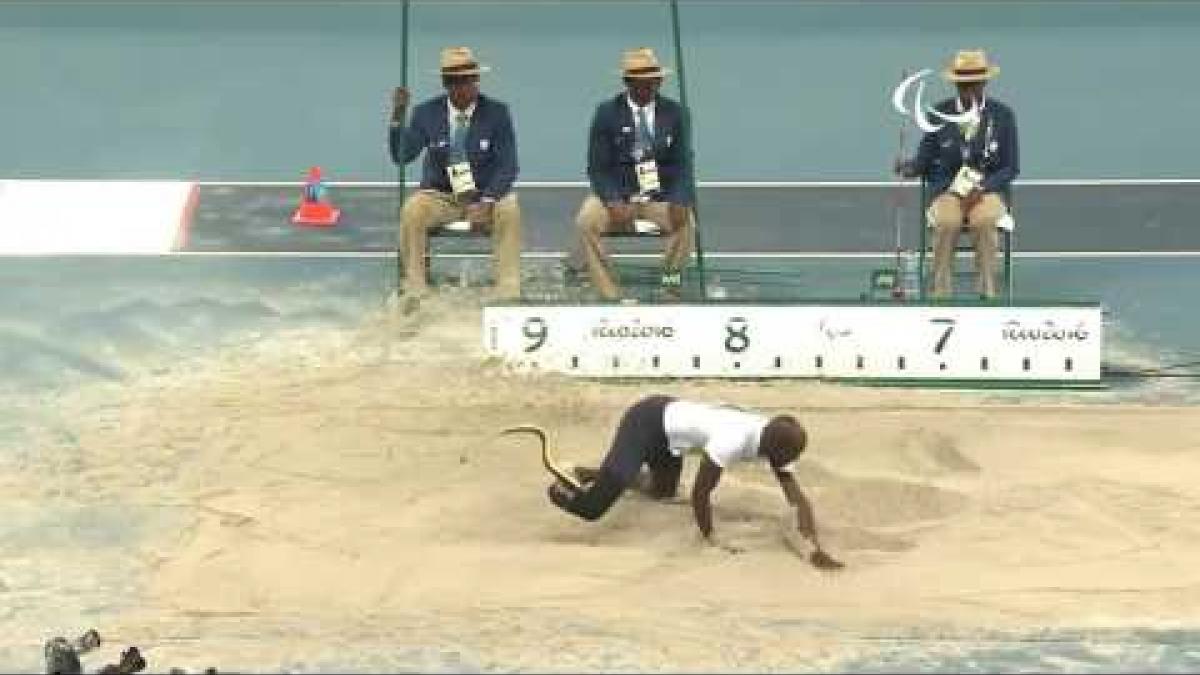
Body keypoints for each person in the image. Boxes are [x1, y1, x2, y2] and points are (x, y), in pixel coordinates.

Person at [546, 395, 843, 569]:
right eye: (784, 458)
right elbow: (702, 492)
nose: (785, 465)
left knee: (661, 493)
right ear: (771, 448)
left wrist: (815, 549)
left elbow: (797, 500)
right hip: (647, 421)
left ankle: (589, 472)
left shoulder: (777, 438)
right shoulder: (733, 439)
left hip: (672, 436)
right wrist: (711, 537)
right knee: (594, 507)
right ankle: (559, 488)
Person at [388, 46, 522, 308]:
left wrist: (487, 200)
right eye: (454, 81)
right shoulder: (426, 113)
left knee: (511, 209)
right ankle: (415, 289)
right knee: (412, 210)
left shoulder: (497, 113)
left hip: (485, 195)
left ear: (476, 80)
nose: (461, 87)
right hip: (442, 196)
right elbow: (402, 156)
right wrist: (397, 117)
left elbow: (509, 166)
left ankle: (508, 291)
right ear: (445, 83)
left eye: (467, 80)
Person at [574, 48, 695, 302]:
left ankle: (669, 287)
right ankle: (608, 293)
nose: (647, 87)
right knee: (586, 222)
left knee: (686, 224)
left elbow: (684, 163)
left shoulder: (677, 114)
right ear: (627, 82)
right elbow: (597, 167)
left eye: (653, 81)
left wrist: (681, 199)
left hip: (659, 196)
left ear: (660, 81)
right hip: (617, 194)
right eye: (640, 82)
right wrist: (613, 200)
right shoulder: (606, 113)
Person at [895, 49, 1019, 299]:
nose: (969, 89)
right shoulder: (938, 114)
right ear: (955, 84)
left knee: (983, 222)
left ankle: (987, 293)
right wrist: (909, 168)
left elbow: (1011, 167)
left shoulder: (1003, 116)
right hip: (947, 191)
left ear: (984, 83)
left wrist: (982, 188)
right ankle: (940, 294)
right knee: (945, 223)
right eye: (963, 84)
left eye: (974, 83)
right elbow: (925, 160)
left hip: (987, 191)